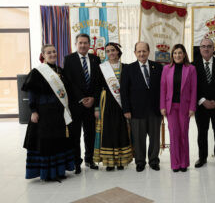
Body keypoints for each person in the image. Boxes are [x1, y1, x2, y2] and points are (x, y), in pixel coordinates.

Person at [22, 44, 74, 181]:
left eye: (54, 52)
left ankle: (59, 171)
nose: (52, 54)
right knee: (46, 142)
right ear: (43, 55)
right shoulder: (38, 72)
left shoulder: (61, 71)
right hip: (44, 113)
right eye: (49, 52)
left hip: (59, 114)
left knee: (58, 141)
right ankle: (47, 173)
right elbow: (32, 93)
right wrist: (33, 111)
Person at [121, 42, 163, 172]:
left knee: (155, 138)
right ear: (135, 53)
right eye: (139, 51)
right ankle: (140, 161)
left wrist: (163, 107)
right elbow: (124, 91)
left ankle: (154, 160)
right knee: (138, 138)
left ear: (148, 51)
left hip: (155, 110)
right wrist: (126, 109)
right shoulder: (128, 69)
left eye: (144, 51)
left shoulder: (158, 67)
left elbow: (163, 89)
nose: (141, 54)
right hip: (136, 111)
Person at [63, 33, 101, 173]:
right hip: (75, 105)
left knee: (90, 134)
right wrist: (81, 99)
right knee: (75, 135)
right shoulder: (69, 59)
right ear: (76, 44)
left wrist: (93, 98)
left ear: (89, 44)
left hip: (91, 105)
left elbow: (98, 82)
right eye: (80, 43)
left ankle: (89, 160)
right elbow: (69, 82)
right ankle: (76, 162)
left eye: (86, 43)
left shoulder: (95, 59)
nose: (83, 45)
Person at [93, 43, 133, 171]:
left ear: (118, 52)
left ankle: (121, 160)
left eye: (113, 50)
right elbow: (96, 88)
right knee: (108, 130)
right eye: (108, 51)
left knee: (121, 129)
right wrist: (96, 108)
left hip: (122, 101)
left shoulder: (126, 67)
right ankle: (109, 161)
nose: (111, 53)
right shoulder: (101, 68)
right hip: (106, 102)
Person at [193, 38, 215, 169]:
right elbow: (192, 87)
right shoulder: (193, 65)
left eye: (209, 46)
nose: (206, 49)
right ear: (200, 49)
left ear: (213, 49)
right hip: (201, 105)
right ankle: (202, 158)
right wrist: (202, 101)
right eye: (203, 46)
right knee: (202, 132)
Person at [160, 44, 197, 172]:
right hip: (170, 107)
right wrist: (162, 106)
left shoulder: (191, 69)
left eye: (180, 53)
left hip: (185, 107)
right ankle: (175, 164)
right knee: (174, 135)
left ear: (184, 54)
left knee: (183, 135)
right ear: (172, 55)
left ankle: (184, 163)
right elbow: (163, 89)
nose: (177, 55)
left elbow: (194, 90)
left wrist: (192, 107)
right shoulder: (166, 69)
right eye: (175, 53)